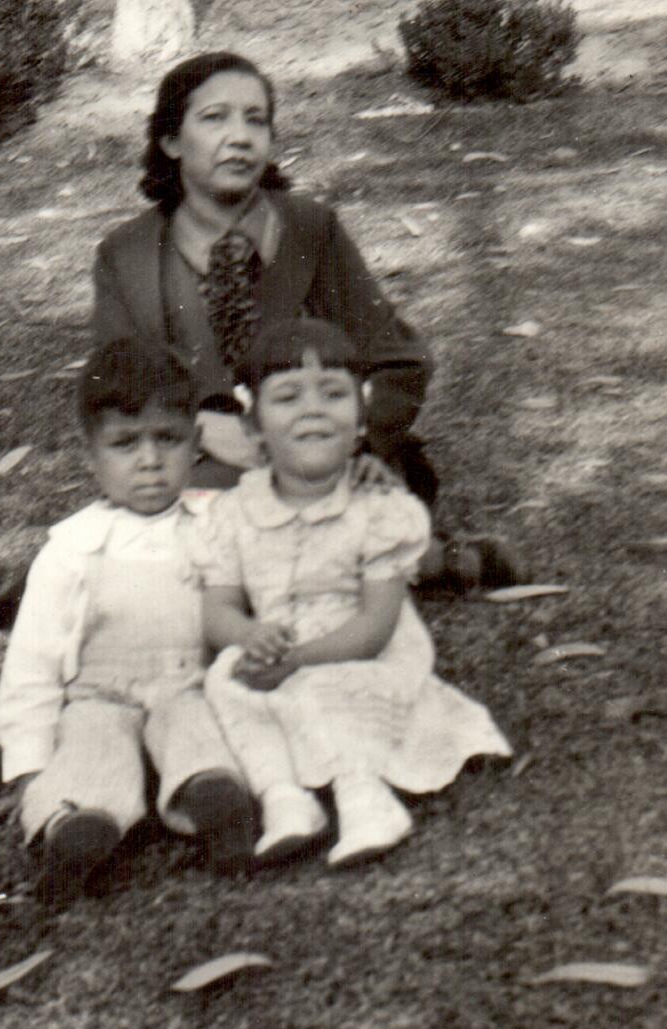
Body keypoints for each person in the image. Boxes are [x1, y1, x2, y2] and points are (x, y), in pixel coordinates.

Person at [91, 50, 519, 591]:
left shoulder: (311, 231)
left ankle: (389, 557)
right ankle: (414, 562)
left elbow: (398, 362)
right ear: (171, 141)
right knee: (174, 546)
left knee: (232, 550)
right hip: (202, 470)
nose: (240, 136)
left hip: (328, 462)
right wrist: (198, 428)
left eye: (256, 119)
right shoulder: (126, 255)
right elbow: (117, 387)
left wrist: (344, 437)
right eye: (214, 117)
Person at [192, 320, 513, 869]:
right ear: (255, 428)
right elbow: (216, 609)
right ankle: (284, 800)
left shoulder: (379, 511)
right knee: (226, 682)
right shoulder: (232, 513)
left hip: (358, 649)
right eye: (288, 397)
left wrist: (294, 660)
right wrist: (251, 637)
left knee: (323, 685)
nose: (313, 410)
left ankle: (364, 795)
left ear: (362, 419)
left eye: (334, 394)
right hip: (279, 646)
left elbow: (376, 628)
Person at [0, 338, 255, 906]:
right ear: (92, 455)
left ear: (196, 442)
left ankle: (215, 802)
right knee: (90, 752)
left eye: (168, 439)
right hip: (99, 693)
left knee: (199, 728)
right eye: (125, 443)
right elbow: (32, 664)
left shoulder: (218, 522)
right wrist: (27, 764)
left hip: (188, 682)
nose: (150, 460)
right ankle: (77, 829)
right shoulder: (72, 549)